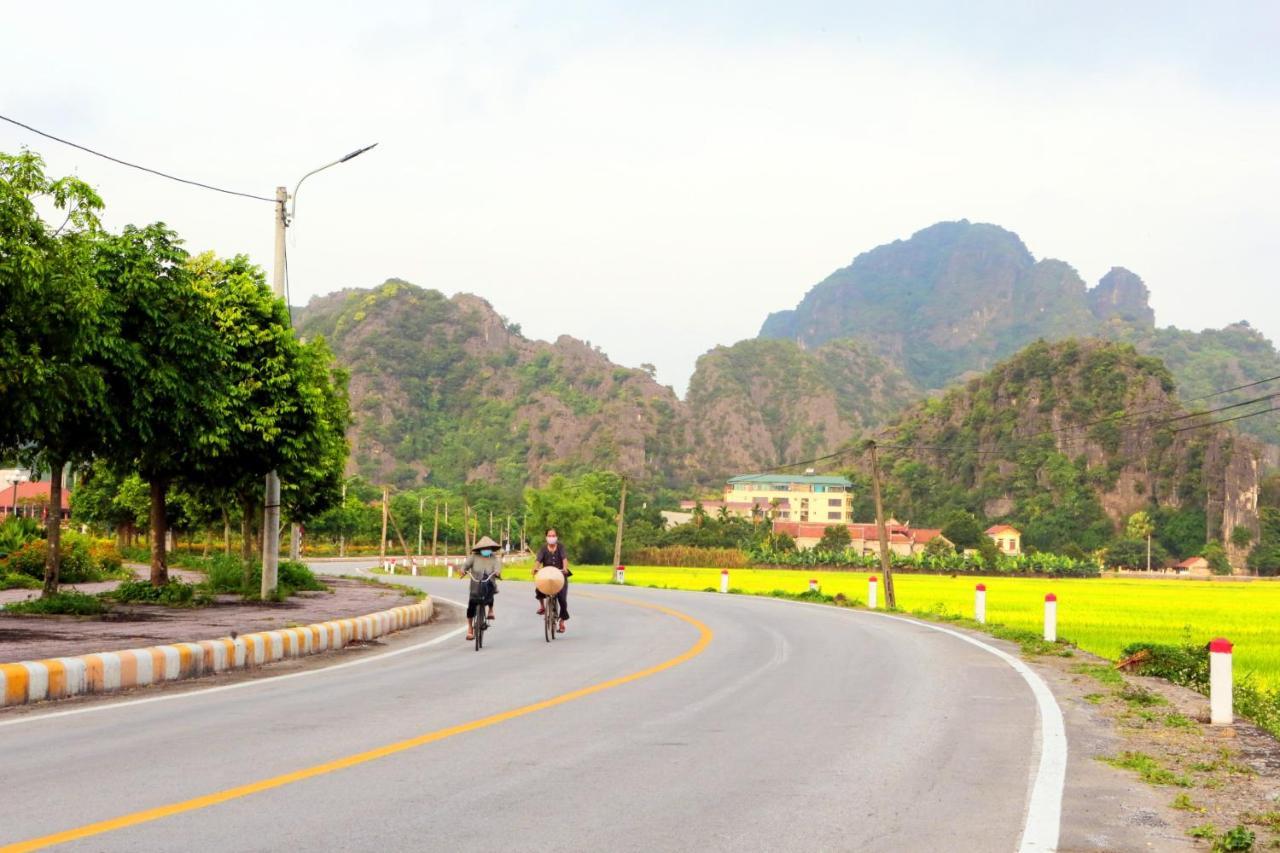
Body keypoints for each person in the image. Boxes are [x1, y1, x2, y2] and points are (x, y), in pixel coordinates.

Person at [462, 535, 502, 641]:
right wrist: (463, 570)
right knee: (471, 606)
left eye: (488, 548)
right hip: (475, 585)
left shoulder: (493, 558)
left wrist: (497, 572)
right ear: (480, 549)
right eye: (484, 548)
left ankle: (491, 610)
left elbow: (497, 567)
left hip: (488, 583)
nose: (486, 550)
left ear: (491, 548)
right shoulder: (474, 557)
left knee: (490, 589)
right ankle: (470, 629)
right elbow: (465, 566)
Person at [534, 527, 570, 633]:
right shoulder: (543, 548)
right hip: (547, 575)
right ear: (546, 537)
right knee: (539, 588)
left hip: (560, 575)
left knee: (562, 599)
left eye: (553, 536)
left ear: (556, 537)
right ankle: (542, 606)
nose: (551, 538)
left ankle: (562, 621)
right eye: (549, 536)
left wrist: (565, 568)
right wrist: (535, 569)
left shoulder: (561, 547)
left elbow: (564, 559)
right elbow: (538, 560)